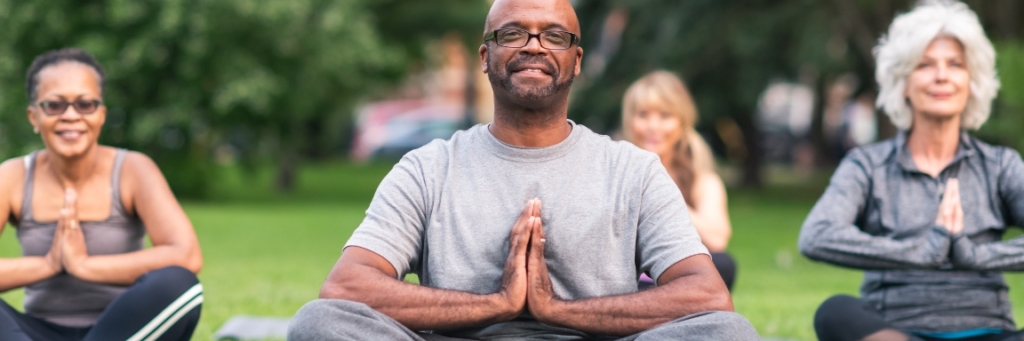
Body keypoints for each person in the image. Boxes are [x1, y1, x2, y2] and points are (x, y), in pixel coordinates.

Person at [287, 0, 759, 340]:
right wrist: (497, 304)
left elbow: (707, 296)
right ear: (485, 56)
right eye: (513, 34)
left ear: (576, 60)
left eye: (554, 36)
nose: (534, 46)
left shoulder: (633, 171)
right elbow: (347, 285)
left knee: (728, 332)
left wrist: (556, 311)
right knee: (319, 322)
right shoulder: (428, 168)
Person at [798, 2, 1024, 341]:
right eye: (925, 64)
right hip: (896, 332)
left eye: (955, 64)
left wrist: (974, 255)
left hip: (991, 332)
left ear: (971, 81)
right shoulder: (867, 166)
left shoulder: (1001, 165)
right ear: (902, 82)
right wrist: (921, 253)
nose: (942, 76)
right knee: (834, 311)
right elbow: (817, 235)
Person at [0, 48, 204, 341]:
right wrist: (49, 264)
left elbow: (186, 255)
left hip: (122, 332)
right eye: (55, 105)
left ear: (102, 115)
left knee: (178, 282)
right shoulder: (12, 176)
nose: (71, 116)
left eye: (85, 104)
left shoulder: (133, 169)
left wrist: (83, 265)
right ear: (34, 116)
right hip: (34, 333)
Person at [621, 71, 737, 291]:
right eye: (643, 115)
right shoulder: (613, 174)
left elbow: (717, 239)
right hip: (627, 280)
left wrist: (661, 192)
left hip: (674, 278)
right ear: (630, 121)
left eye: (665, 116)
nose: (653, 126)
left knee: (722, 264)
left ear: (682, 123)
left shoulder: (703, 182)